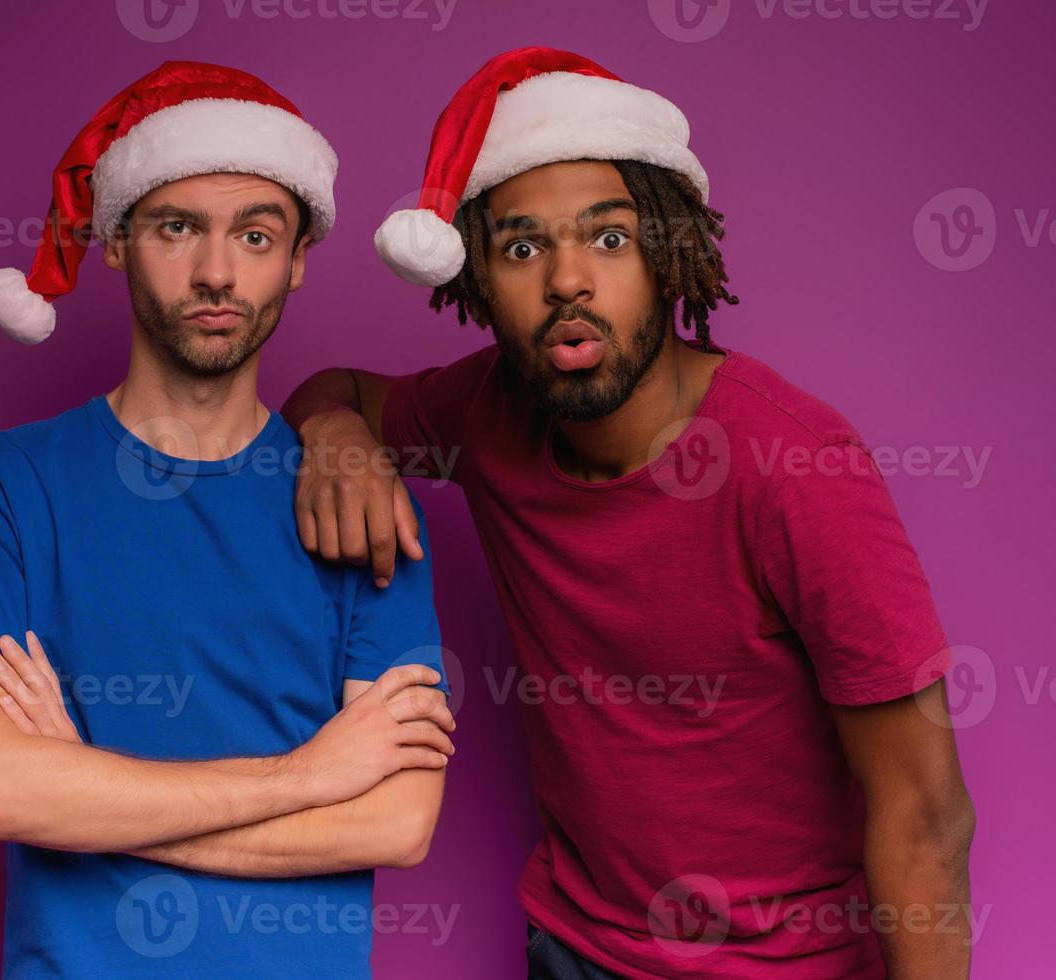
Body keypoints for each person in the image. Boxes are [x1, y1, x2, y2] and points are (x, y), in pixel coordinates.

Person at [283, 46, 975, 979]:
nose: (567, 280)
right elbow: (335, 389)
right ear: (478, 281)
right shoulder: (487, 409)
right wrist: (332, 433)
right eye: (522, 248)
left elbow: (926, 816)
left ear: (670, 254)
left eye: (608, 238)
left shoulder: (795, 467)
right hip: (571, 949)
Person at [0, 61, 453, 978]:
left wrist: (89, 795)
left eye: (256, 235)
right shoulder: (3, 486)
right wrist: (308, 777)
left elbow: (397, 823)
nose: (217, 272)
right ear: (119, 239)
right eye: (179, 227)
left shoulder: (362, 504)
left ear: (296, 261)